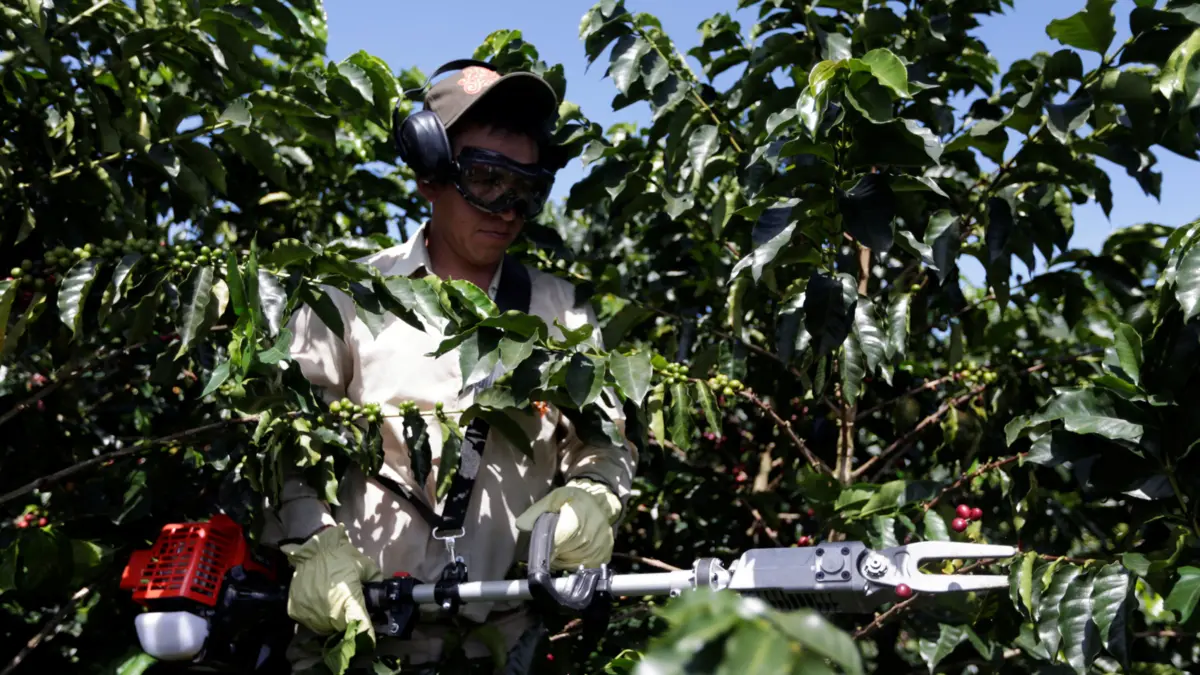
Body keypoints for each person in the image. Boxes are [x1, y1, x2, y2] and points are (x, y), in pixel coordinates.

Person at [258, 61, 638, 673]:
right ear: (430, 175)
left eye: (527, 188)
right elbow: (284, 445)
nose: (508, 208)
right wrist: (313, 543)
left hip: (501, 644)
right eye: (488, 179)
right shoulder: (348, 298)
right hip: (362, 639)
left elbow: (604, 443)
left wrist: (593, 495)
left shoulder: (563, 313)